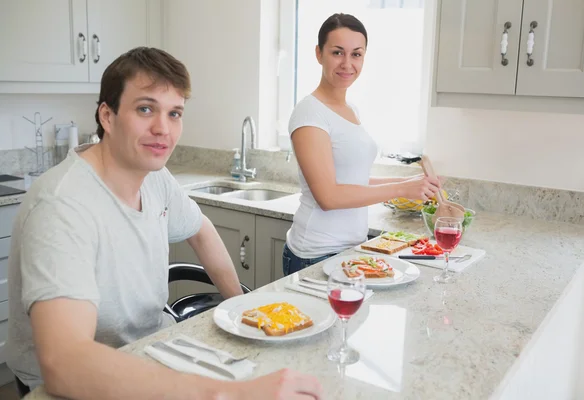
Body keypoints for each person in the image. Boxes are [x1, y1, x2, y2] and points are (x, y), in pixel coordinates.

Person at [6, 47, 322, 400]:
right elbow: (65, 364)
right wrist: (223, 394)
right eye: (145, 109)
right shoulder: (62, 205)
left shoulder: (153, 177)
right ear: (107, 117)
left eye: (174, 113)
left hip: (153, 347)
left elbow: (201, 231)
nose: (162, 129)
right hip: (78, 381)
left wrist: (240, 310)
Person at [283, 13, 440, 276]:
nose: (347, 63)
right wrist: (402, 188)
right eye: (337, 52)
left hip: (349, 251)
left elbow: (354, 180)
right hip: (314, 254)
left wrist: (413, 184)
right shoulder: (310, 113)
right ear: (319, 54)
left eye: (356, 54)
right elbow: (329, 197)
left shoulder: (350, 109)